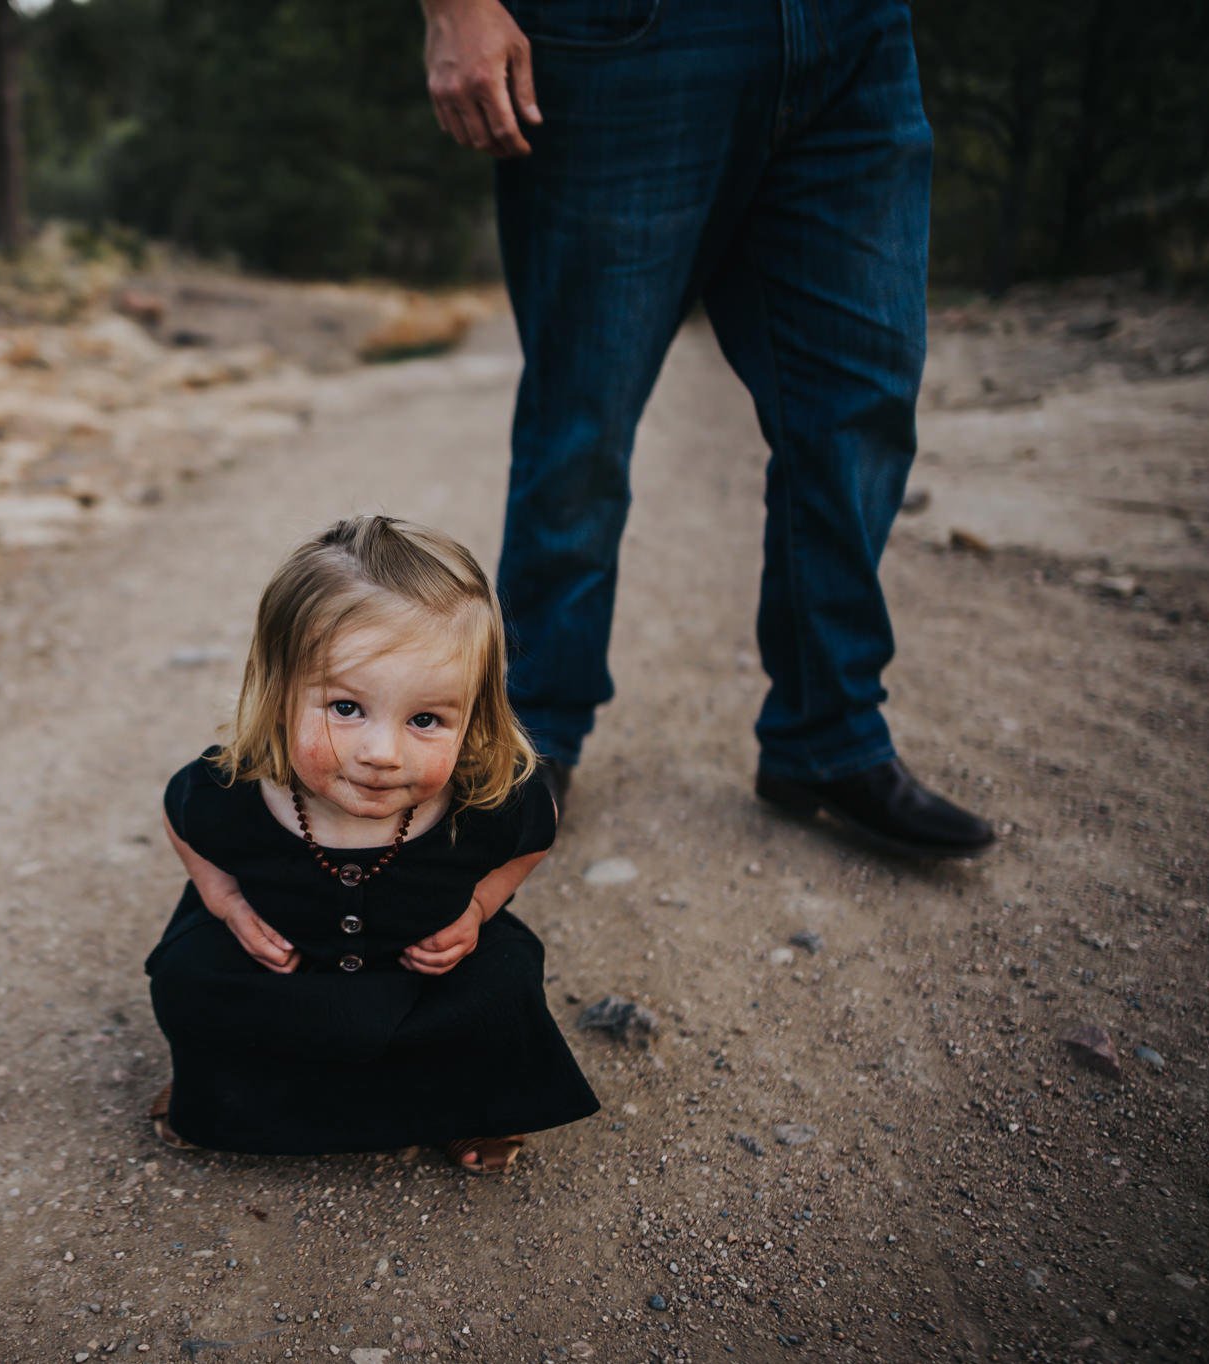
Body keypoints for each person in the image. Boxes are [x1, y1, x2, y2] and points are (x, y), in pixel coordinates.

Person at [419, 0, 996, 858]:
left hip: (855, 34)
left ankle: (828, 738)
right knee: (584, 413)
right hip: (623, 37)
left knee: (859, 399)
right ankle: (532, 738)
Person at [146, 516, 599, 1173]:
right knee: (191, 976)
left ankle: (466, 1108)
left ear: (473, 715)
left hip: (419, 981)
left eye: (425, 719)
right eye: (346, 708)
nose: (382, 753)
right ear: (278, 692)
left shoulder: (481, 798)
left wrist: (477, 908)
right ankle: (215, 1093)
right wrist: (222, 899)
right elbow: (178, 814)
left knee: (502, 983)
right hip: (286, 976)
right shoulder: (238, 786)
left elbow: (536, 835)